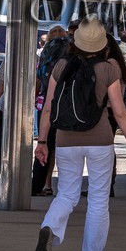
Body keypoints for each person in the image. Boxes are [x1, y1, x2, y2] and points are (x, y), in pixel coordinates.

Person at [33, 18, 126, 251]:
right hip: (100, 140)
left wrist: (42, 141)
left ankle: (49, 226)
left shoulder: (61, 65)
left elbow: (48, 107)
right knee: (98, 199)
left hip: (65, 139)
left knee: (67, 194)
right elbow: (120, 112)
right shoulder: (109, 68)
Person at [31, 25, 70, 196]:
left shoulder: (45, 53)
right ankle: (50, 184)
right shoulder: (68, 51)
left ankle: (37, 183)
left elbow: (39, 78)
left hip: (45, 99)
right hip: (64, 102)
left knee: (45, 141)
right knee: (60, 146)